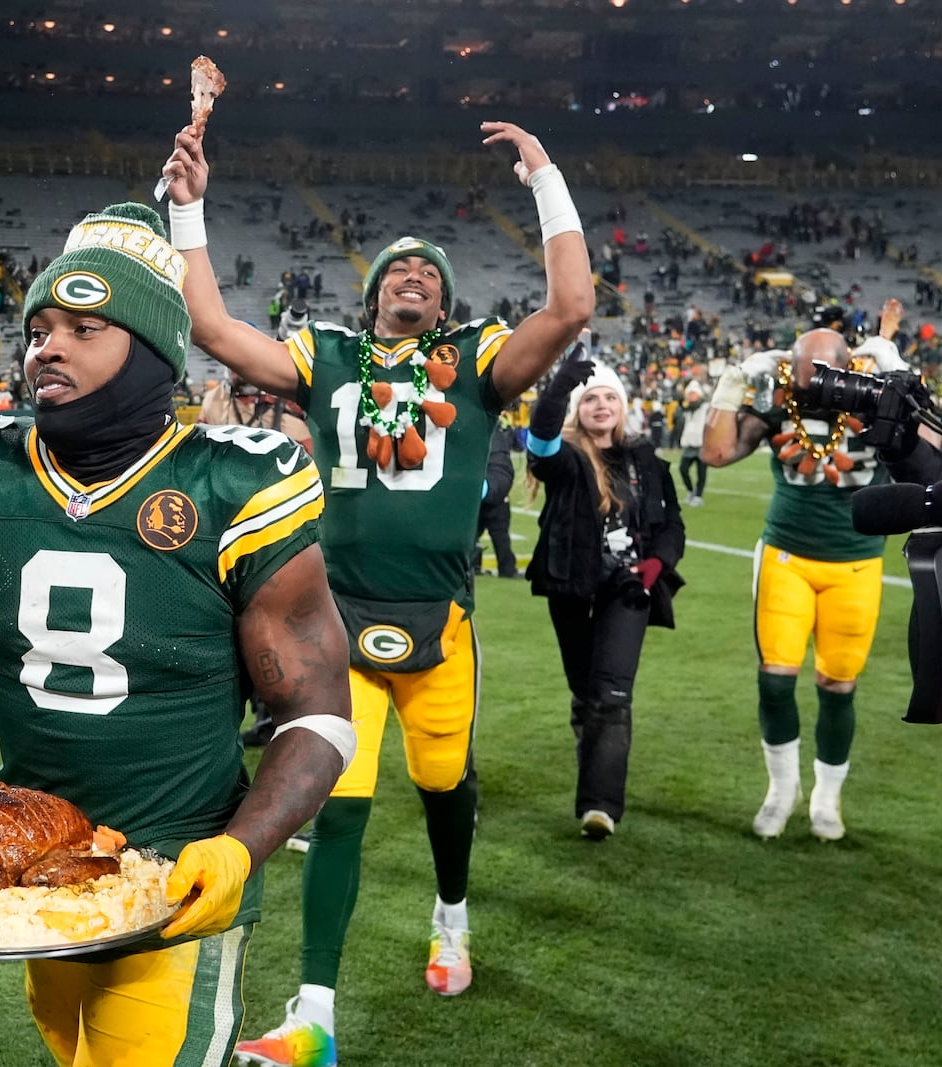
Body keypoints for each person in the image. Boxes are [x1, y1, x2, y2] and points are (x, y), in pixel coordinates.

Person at [0, 203, 352, 1066]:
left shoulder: (236, 485)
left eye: (86, 327)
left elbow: (317, 714)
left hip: (176, 879)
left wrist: (237, 849)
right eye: (41, 327)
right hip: (32, 872)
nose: (48, 346)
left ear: (153, 351)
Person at [162, 118, 592, 1058]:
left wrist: (546, 182)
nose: (414, 275)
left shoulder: (477, 362)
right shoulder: (324, 357)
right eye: (398, 268)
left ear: (444, 303)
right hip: (335, 623)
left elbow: (567, 310)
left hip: (440, 624)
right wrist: (188, 212)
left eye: (431, 273)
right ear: (371, 294)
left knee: (445, 791)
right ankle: (314, 1010)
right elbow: (212, 328)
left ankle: (452, 910)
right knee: (338, 804)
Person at [701, 325, 897, 842]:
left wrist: (898, 373)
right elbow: (716, 454)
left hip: (856, 562)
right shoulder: (780, 400)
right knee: (775, 676)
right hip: (787, 555)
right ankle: (781, 789)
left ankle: (828, 797)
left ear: (848, 367)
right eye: (803, 376)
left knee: (838, 685)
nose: (810, 389)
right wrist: (733, 383)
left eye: (821, 378)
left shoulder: (879, 402)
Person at [525, 351, 684, 839]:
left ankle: (600, 806)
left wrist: (654, 568)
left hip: (629, 589)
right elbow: (541, 439)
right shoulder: (565, 458)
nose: (600, 405)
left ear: (623, 406)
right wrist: (557, 388)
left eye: (609, 397)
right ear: (579, 409)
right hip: (571, 585)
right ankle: (595, 769)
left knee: (612, 695)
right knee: (586, 693)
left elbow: (671, 526)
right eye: (590, 398)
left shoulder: (649, 461)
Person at [198, 367, 314, 747]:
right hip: (219, 527)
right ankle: (221, 723)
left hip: (271, 529)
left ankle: (276, 720)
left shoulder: (288, 403)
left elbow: (307, 462)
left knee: (272, 634)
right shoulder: (217, 398)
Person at [474, 412, 518, 578]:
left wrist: (482, 489)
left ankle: (505, 570)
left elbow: (500, 465)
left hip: (492, 495)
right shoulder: (497, 429)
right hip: (491, 493)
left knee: (500, 539)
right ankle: (504, 570)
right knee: (498, 538)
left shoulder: (494, 431)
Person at [676, 379, 710, 506]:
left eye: (694, 394)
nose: (691, 396)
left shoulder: (706, 407)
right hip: (689, 443)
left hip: (702, 444)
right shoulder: (686, 409)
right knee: (683, 469)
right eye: (690, 394)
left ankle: (698, 495)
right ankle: (690, 491)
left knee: (701, 472)